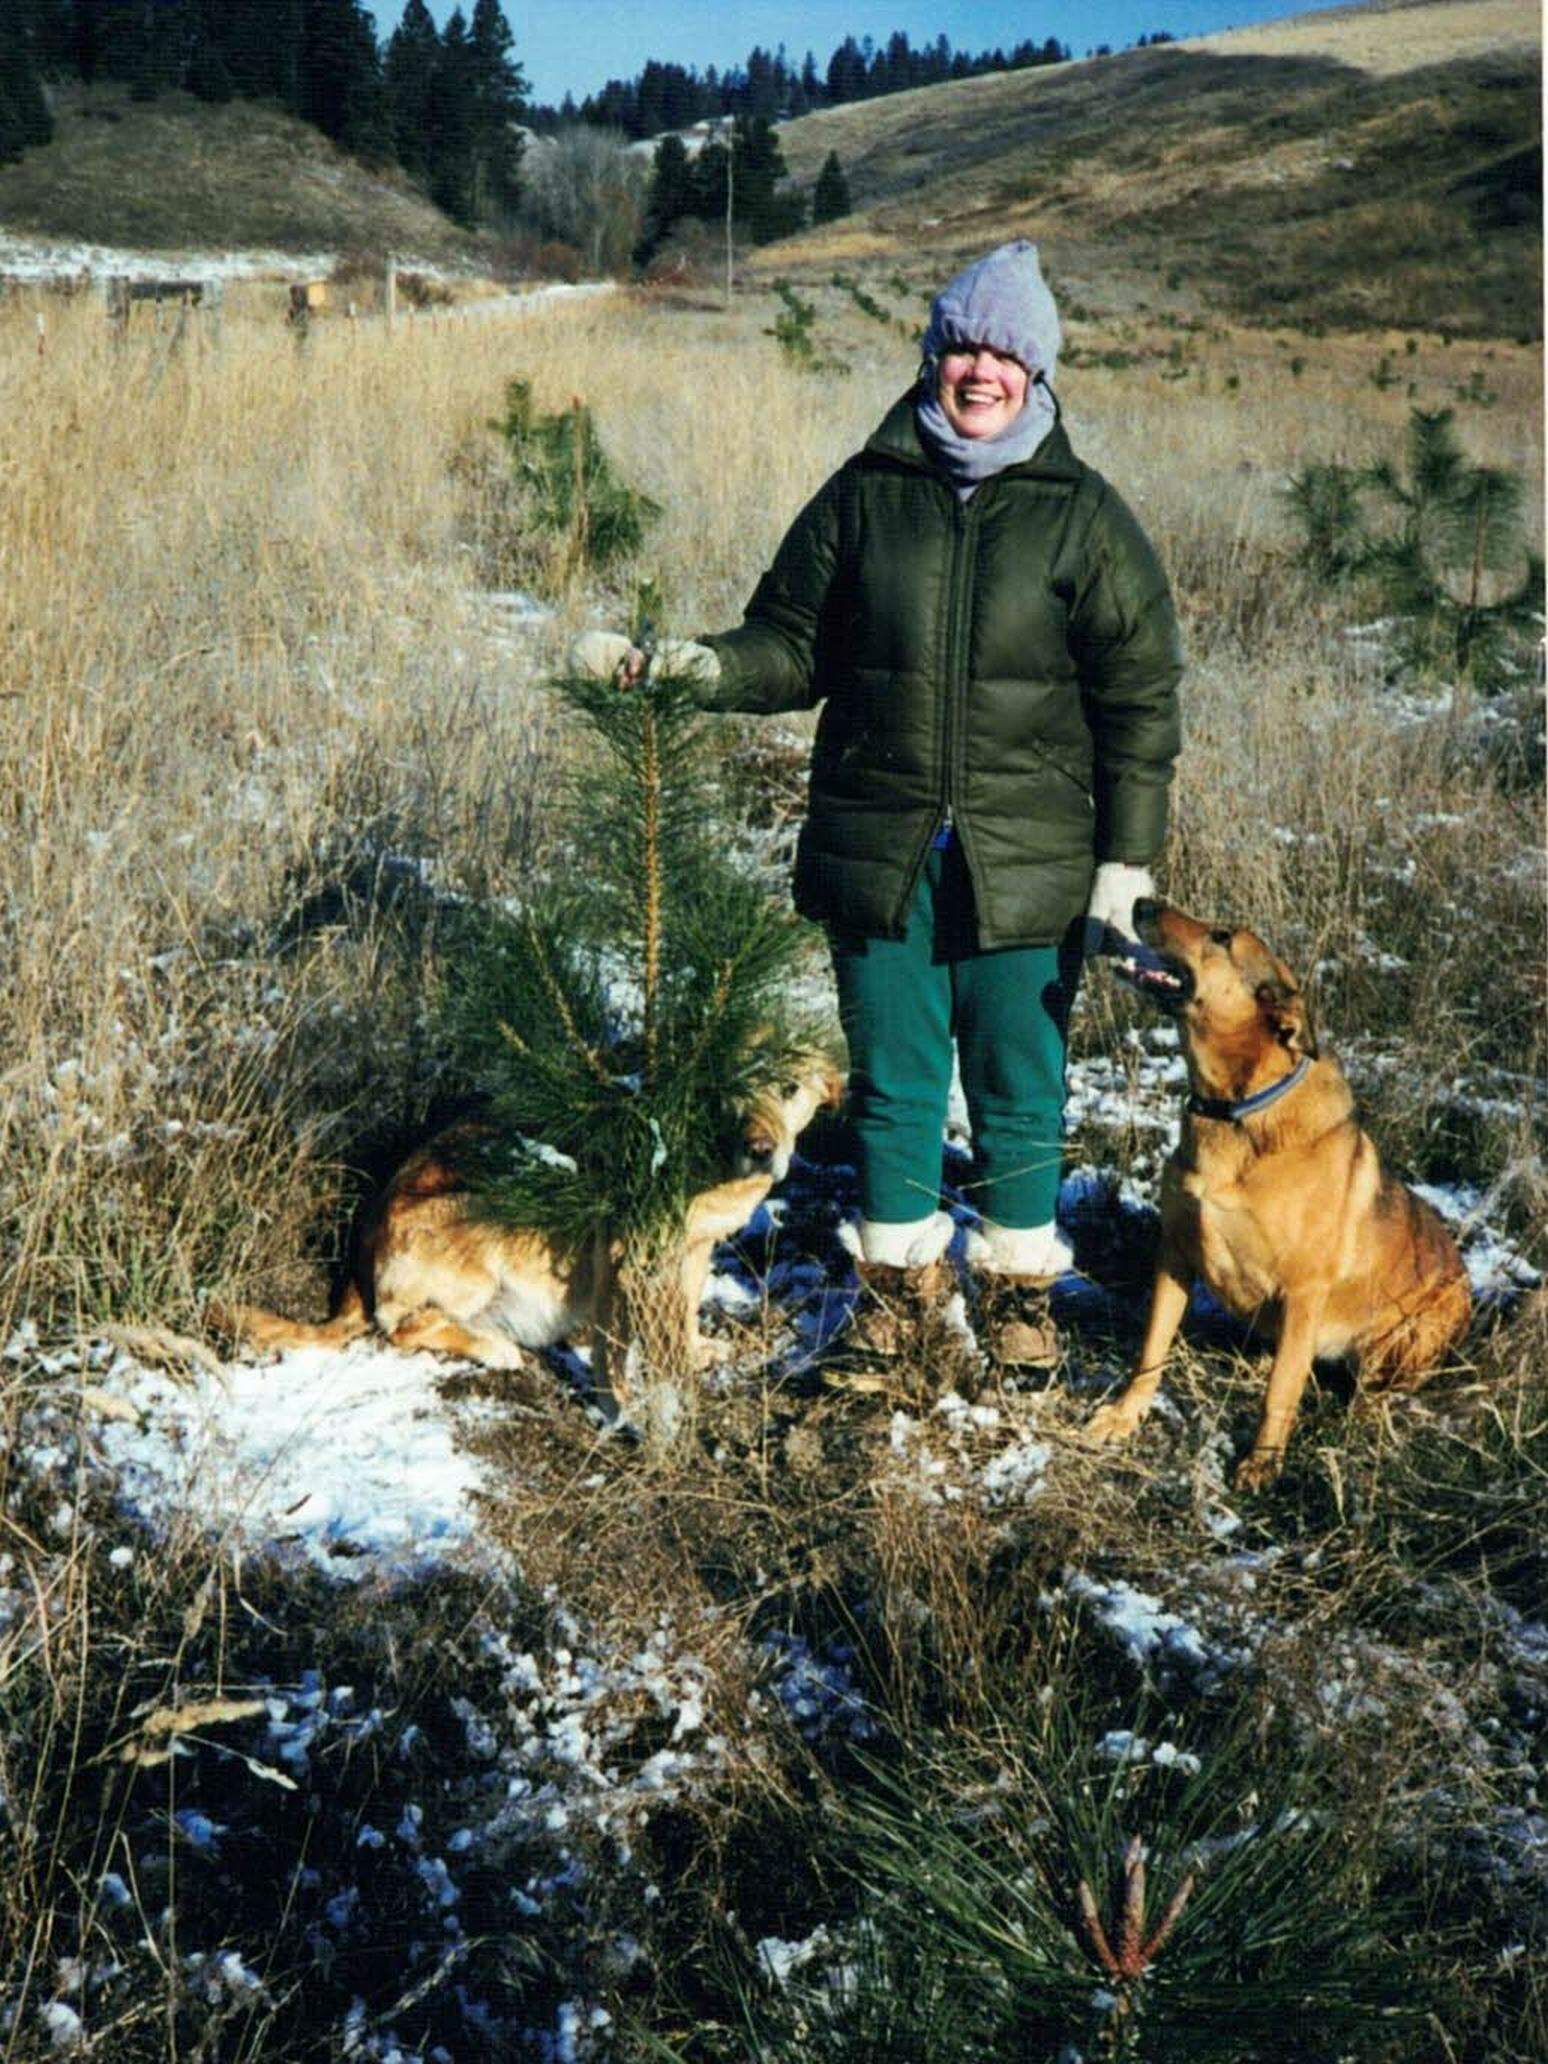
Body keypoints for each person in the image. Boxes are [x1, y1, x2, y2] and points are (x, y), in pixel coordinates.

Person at [575, 241, 1182, 1379]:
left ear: (1037, 372)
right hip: (881, 846)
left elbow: (1140, 700)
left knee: (1018, 1085)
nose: (982, 372)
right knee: (896, 1083)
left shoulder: (1086, 518)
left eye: (1006, 354)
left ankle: (1019, 1295)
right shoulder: (865, 493)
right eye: (964, 349)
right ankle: (898, 1293)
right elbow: (791, 642)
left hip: (1031, 860)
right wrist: (700, 669)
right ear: (933, 356)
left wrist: (1127, 862)